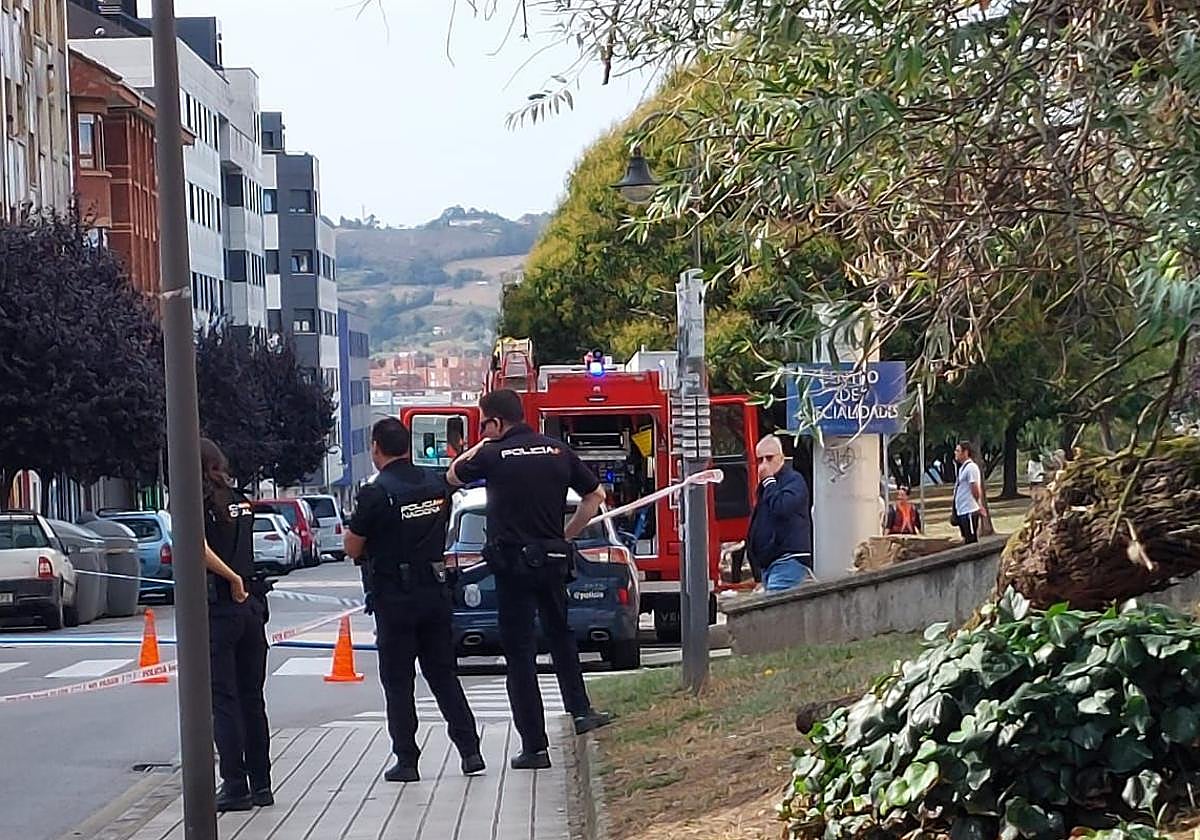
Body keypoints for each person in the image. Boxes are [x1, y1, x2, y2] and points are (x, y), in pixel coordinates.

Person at [447, 388, 611, 770]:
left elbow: (452, 476)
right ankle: (581, 711)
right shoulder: (557, 451)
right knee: (561, 637)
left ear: (496, 422)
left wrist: (480, 444)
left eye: (484, 422)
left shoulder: (491, 453)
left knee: (520, 656)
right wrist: (564, 536)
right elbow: (595, 496)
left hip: (512, 566)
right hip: (552, 559)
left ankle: (534, 747)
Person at [343, 418, 483, 783]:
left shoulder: (375, 493)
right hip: (434, 590)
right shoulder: (435, 484)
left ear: (376, 448)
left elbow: (352, 546)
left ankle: (407, 759)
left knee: (398, 680)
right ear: (408, 446)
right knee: (443, 675)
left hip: (395, 597)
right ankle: (470, 751)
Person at [199, 438, 273, 812]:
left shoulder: (199, 501)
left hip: (222, 608)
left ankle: (234, 784)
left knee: (224, 701)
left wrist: (231, 578)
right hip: (251, 611)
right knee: (251, 699)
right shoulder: (240, 499)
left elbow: (196, 546)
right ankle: (262, 783)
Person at [746, 434, 813, 591]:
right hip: (769, 563)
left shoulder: (794, 481)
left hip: (788, 560)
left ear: (781, 458)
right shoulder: (766, 488)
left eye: (769, 458)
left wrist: (768, 481)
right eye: (760, 460)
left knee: (774, 610)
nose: (764, 465)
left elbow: (781, 508)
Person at [952, 441, 988, 544]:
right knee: (965, 538)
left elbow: (975, 487)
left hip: (969, 510)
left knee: (971, 539)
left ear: (966, 452)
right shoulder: (963, 468)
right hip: (962, 509)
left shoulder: (971, 468)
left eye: (958, 451)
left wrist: (979, 505)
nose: (955, 453)